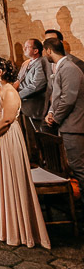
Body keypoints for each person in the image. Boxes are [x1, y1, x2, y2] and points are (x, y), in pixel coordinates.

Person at [0, 57, 49, 249]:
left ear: (0, 72)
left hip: (7, 137)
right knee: (2, 179)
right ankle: (6, 225)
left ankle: (19, 228)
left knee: (12, 178)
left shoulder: (10, 92)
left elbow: (6, 120)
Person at [42, 37, 84, 208]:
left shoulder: (69, 68)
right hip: (66, 124)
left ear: (49, 50)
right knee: (73, 167)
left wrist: (56, 118)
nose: (45, 54)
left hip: (73, 125)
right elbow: (57, 96)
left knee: (79, 168)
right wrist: (51, 112)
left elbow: (68, 99)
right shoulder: (61, 67)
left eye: (45, 51)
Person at [14, 38, 48, 121]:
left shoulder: (41, 63)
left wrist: (17, 96)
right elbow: (19, 79)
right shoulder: (26, 63)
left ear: (36, 51)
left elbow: (36, 86)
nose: (24, 49)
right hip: (23, 105)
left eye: (27, 47)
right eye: (24, 46)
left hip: (34, 106)